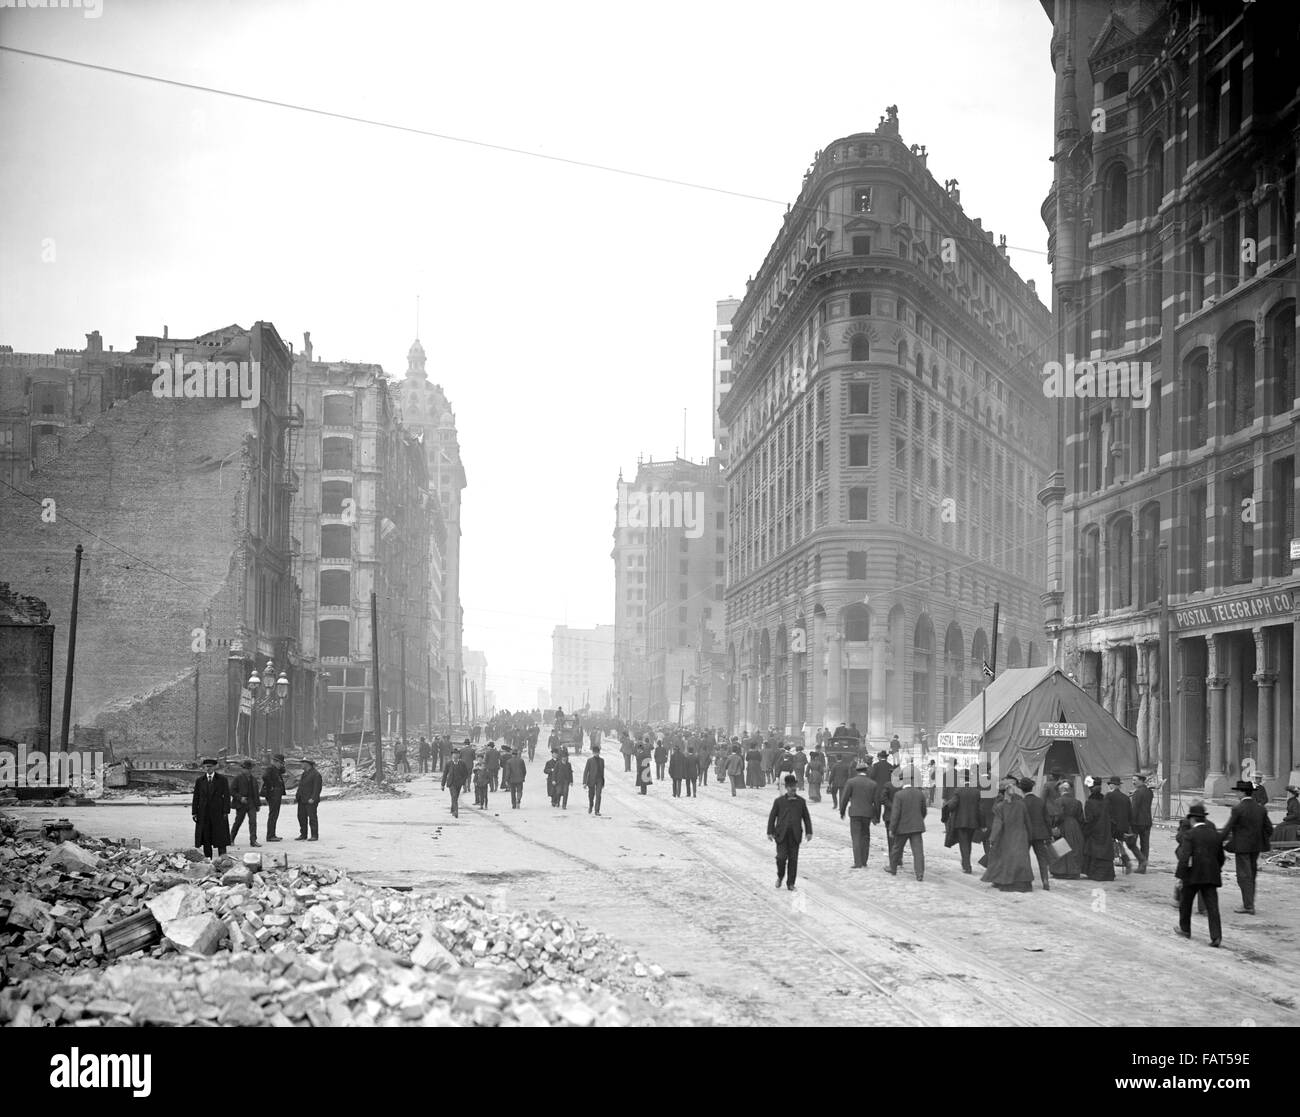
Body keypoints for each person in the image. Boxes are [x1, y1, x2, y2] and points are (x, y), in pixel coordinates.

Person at [1176, 802, 1224, 948]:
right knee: (1212, 907)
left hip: (1192, 875)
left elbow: (1184, 857)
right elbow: (1221, 857)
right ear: (1203, 819)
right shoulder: (1215, 834)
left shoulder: (1190, 835)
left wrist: (1180, 876)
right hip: (1211, 875)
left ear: (1192, 820)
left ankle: (1185, 930)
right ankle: (1216, 937)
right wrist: (1215, 869)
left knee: (1186, 903)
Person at [1221, 779, 1273, 914]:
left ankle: (1248, 906)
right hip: (1256, 847)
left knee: (1244, 876)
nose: (1236, 794)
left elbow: (1228, 828)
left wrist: (1218, 840)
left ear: (1242, 792)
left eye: (1237, 791)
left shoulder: (1238, 809)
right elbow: (1269, 829)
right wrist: (1260, 839)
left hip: (1242, 847)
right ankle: (1249, 903)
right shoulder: (1260, 809)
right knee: (1252, 874)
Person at [981, 778, 1034, 892]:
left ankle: (1005, 881)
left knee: (1006, 859)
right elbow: (1028, 822)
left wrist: (992, 839)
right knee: (1020, 859)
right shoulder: (1022, 805)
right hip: (1021, 836)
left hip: (1006, 836)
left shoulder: (1000, 807)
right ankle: (1023, 883)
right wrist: (1030, 835)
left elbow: (997, 824)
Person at [767, 774, 813, 891]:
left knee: (793, 860)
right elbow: (772, 817)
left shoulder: (801, 802)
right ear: (786, 788)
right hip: (781, 835)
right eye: (791, 788)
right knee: (781, 858)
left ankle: (791, 883)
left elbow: (806, 817)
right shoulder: (779, 801)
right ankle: (780, 876)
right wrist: (770, 832)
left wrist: (809, 832)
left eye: (794, 787)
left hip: (795, 835)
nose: (793, 790)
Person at [840, 760, 880, 868]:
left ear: (857, 771)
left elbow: (844, 798)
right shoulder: (873, 784)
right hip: (867, 814)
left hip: (855, 813)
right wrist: (877, 816)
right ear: (866, 771)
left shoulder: (851, 782)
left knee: (856, 837)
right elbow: (877, 802)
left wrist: (842, 811)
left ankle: (857, 862)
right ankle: (864, 861)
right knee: (865, 837)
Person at [887, 769, 926, 880]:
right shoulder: (919, 794)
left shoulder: (899, 795)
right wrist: (918, 819)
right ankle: (919, 874)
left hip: (902, 827)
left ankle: (893, 868)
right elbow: (923, 811)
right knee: (918, 852)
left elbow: (895, 814)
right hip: (916, 827)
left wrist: (892, 828)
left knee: (897, 849)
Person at [192, 757, 231, 859]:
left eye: (210, 767)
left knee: (220, 837)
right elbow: (196, 797)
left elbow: (226, 796)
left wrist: (226, 811)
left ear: (214, 767)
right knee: (206, 838)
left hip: (218, 813)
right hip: (204, 813)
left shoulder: (222, 780)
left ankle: (223, 859)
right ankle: (208, 860)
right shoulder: (200, 781)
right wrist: (194, 812)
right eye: (206, 767)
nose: (208, 769)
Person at [943, 778, 984, 874]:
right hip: (973, 823)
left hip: (960, 822)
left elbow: (952, 805)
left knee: (964, 844)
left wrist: (945, 814)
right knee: (968, 843)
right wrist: (982, 823)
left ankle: (967, 866)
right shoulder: (977, 792)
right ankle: (966, 863)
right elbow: (980, 809)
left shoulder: (959, 791)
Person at [1105, 776, 1143, 873]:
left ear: (1112, 785)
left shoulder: (1108, 796)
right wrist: (1130, 826)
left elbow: (1106, 812)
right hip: (1124, 825)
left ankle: (1126, 862)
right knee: (1122, 844)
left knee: (1116, 844)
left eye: (1109, 784)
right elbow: (1130, 813)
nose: (1109, 786)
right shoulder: (1126, 797)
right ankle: (1140, 860)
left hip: (1114, 826)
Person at [1020, 777, 1051, 890]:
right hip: (1040, 834)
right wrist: (1049, 834)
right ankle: (1045, 880)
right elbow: (1047, 820)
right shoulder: (1040, 801)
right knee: (1042, 858)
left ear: (1021, 789)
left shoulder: (1021, 803)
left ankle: (1026, 880)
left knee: (1025, 857)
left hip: (1026, 834)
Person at [1049, 780, 1085, 879]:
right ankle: (1073, 871)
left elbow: (1058, 816)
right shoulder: (1077, 802)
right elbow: (1081, 818)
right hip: (1075, 826)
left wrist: (1054, 825)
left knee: (1061, 847)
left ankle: (1061, 871)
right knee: (1074, 848)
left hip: (1063, 826)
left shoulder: (1058, 801)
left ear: (1061, 790)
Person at [1081, 777, 1115, 881]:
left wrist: (1085, 831)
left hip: (1095, 832)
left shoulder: (1089, 803)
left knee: (1095, 852)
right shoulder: (1106, 801)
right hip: (1106, 830)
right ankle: (1107, 874)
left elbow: (1089, 820)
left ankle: (1095, 874)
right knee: (1105, 851)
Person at [229, 758, 262, 848]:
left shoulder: (253, 779)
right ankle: (231, 839)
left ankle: (253, 841)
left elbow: (256, 793)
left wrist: (257, 804)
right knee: (238, 822)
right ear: (242, 769)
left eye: (249, 769)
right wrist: (240, 798)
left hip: (251, 804)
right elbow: (231, 790)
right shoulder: (238, 778)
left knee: (253, 822)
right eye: (246, 769)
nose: (248, 770)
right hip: (241, 804)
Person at [260, 753, 286, 843]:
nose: (281, 765)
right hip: (273, 793)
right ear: (275, 762)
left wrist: (282, 766)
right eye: (280, 763)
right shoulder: (270, 768)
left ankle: (272, 834)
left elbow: (283, 771)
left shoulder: (276, 769)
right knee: (273, 815)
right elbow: (264, 777)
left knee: (275, 814)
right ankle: (270, 835)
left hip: (277, 793)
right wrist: (270, 786)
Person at [1130, 773, 1154, 871]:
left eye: (1135, 780)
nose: (1133, 782)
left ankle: (1142, 860)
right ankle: (1143, 867)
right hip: (1147, 821)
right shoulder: (1149, 792)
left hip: (1137, 823)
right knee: (1145, 845)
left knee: (1131, 843)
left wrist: (1130, 822)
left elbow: (1134, 809)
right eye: (1133, 780)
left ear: (1141, 780)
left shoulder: (1137, 793)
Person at [295, 757, 323, 842]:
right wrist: (297, 795)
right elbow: (301, 786)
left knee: (312, 817)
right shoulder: (304, 773)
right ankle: (303, 834)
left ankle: (314, 835)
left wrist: (313, 798)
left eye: (302, 763)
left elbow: (317, 788)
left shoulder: (316, 774)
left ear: (307, 764)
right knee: (301, 817)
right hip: (302, 799)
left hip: (310, 800)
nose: (301, 765)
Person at [584, 743, 605, 815]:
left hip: (599, 780)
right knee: (591, 795)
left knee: (598, 795)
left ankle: (597, 810)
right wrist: (584, 782)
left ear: (599, 752)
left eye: (597, 752)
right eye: (595, 752)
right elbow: (586, 771)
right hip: (591, 780)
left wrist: (603, 781)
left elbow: (602, 772)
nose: (596, 754)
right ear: (593, 753)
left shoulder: (602, 760)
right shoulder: (589, 760)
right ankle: (591, 805)